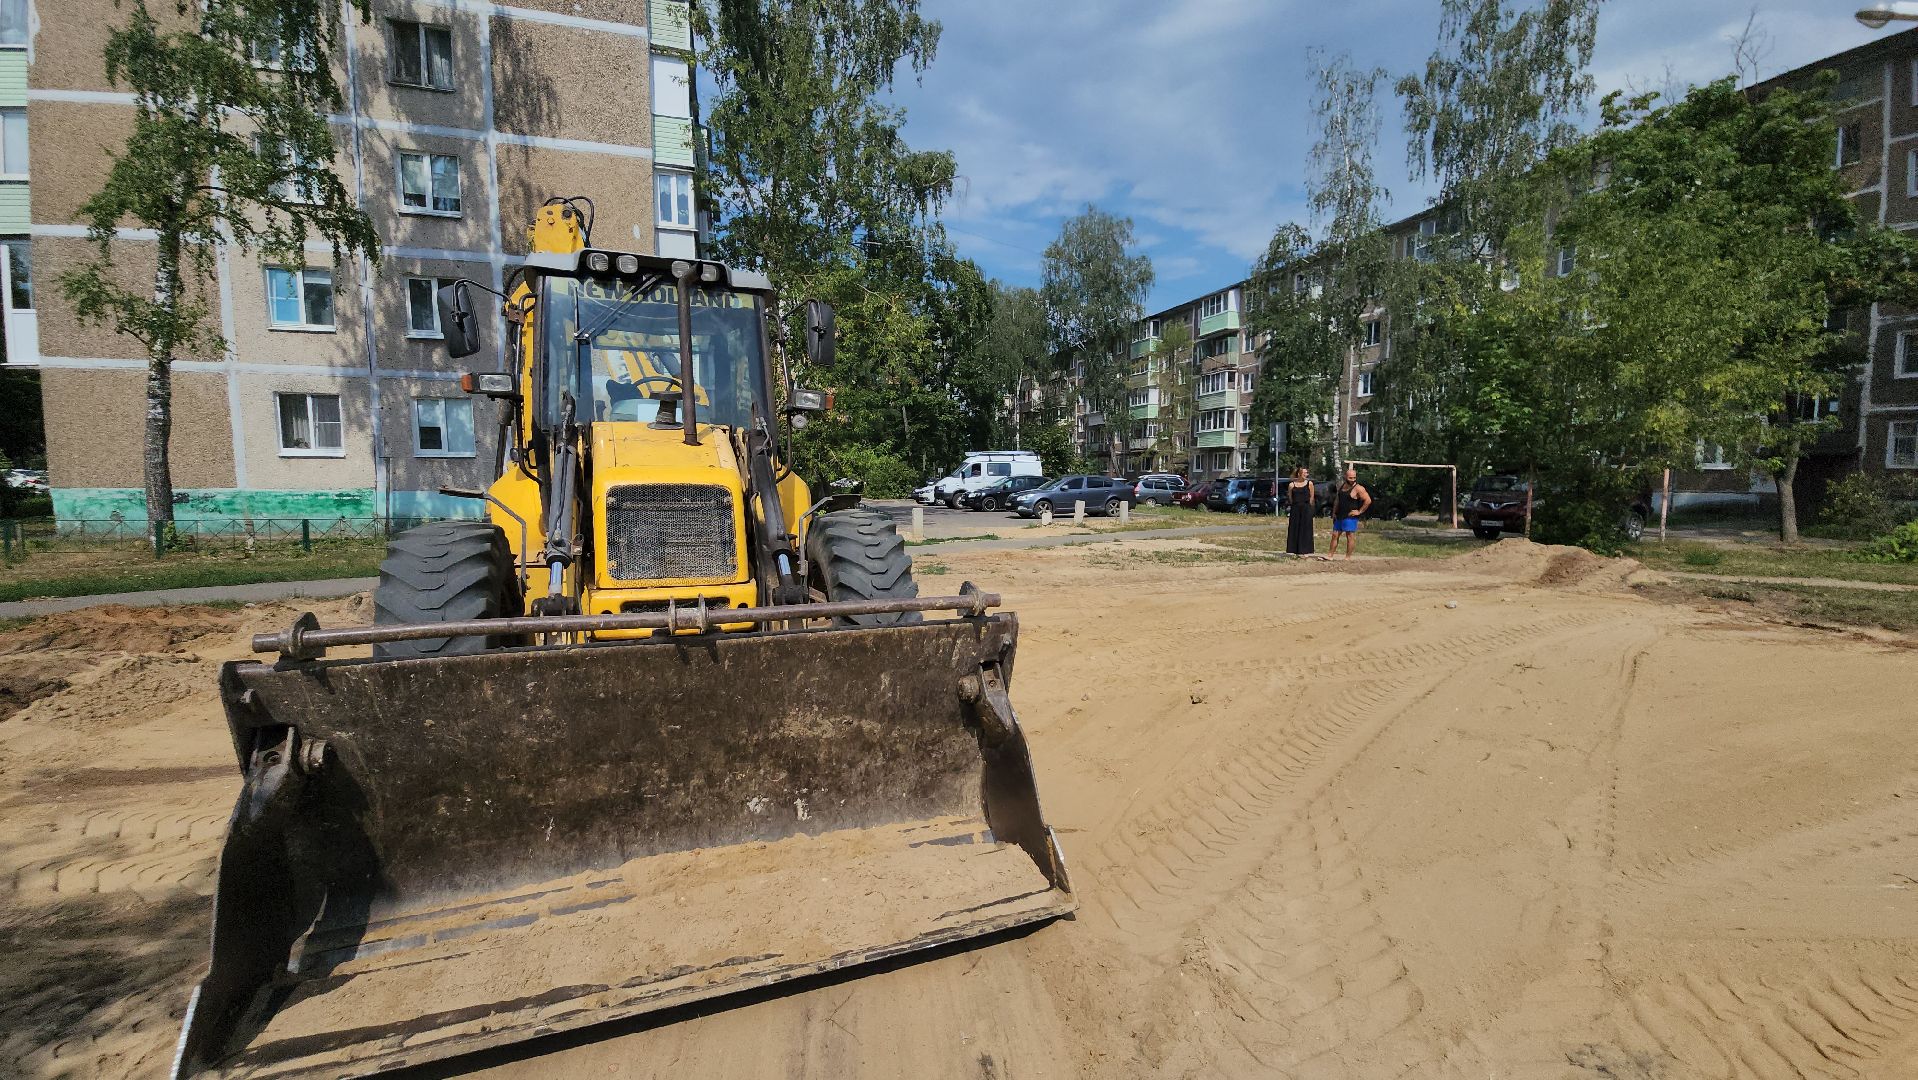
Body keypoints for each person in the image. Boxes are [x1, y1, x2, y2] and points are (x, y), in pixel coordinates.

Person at [1331, 467, 1371, 559]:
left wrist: (1359, 511)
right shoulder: (1342, 486)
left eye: (1354, 478)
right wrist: (1334, 512)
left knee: (1350, 536)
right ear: (1346, 476)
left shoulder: (1359, 488)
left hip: (1350, 516)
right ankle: (1330, 555)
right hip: (1339, 515)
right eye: (1350, 478)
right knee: (1335, 535)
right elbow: (1337, 500)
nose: (1352, 480)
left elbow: (1368, 501)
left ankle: (1347, 558)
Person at [1285, 466, 1315, 556]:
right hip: (1295, 508)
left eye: (1307, 473)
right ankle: (1295, 550)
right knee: (1295, 528)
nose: (1306, 474)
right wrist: (1294, 504)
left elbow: (1312, 496)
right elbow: (1290, 497)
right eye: (1304, 473)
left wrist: (1309, 507)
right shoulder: (1291, 485)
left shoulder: (1309, 483)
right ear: (1299, 474)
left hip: (1306, 508)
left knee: (1306, 529)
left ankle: (1305, 550)